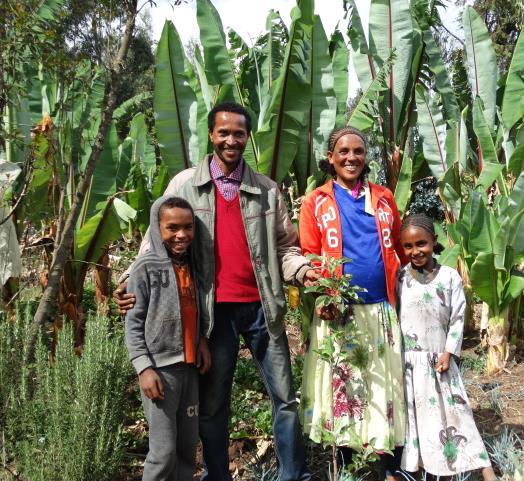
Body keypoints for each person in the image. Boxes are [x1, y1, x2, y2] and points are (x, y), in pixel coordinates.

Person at [116, 102, 319, 481]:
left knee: (286, 400)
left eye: (238, 133)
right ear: (211, 135)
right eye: (223, 132)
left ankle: (292, 474)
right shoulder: (184, 186)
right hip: (212, 314)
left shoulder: (266, 190)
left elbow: (285, 248)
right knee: (212, 406)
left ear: (247, 138)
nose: (231, 140)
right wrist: (129, 281)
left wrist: (303, 271)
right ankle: (218, 475)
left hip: (263, 308)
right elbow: (153, 243)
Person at [297, 126, 406, 480]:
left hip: (380, 309)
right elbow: (311, 255)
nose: (351, 158)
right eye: (343, 151)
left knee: (382, 385)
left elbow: (399, 251)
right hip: (339, 310)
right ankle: (347, 467)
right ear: (331, 157)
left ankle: (390, 465)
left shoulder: (384, 197)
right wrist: (325, 295)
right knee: (345, 389)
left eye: (358, 151)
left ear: (365, 157)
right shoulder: (317, 201)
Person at [396, 213, 496, 480]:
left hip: (441, 361)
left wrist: (449, 352)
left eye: (421, 244)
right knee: (418, 420)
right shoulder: (399, 278)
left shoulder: (450, 277)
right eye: (408, 246)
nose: (415, 251)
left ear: (434, 241)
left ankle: (486, 472)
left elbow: (457, 318)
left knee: (457, 413)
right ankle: (424, 469)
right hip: (410, 365)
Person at [125, 195, 212, 481]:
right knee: (163, 452)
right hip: (160, 372)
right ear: (156, 227)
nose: (181, 235)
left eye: (188, 227)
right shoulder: (145, 268)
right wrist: (144, 368)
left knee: (187, 449)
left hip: (189, 369)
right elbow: (133, 323)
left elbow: (194, 308)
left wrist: (200, 340)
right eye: (172, 227)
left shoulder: (193, 265)